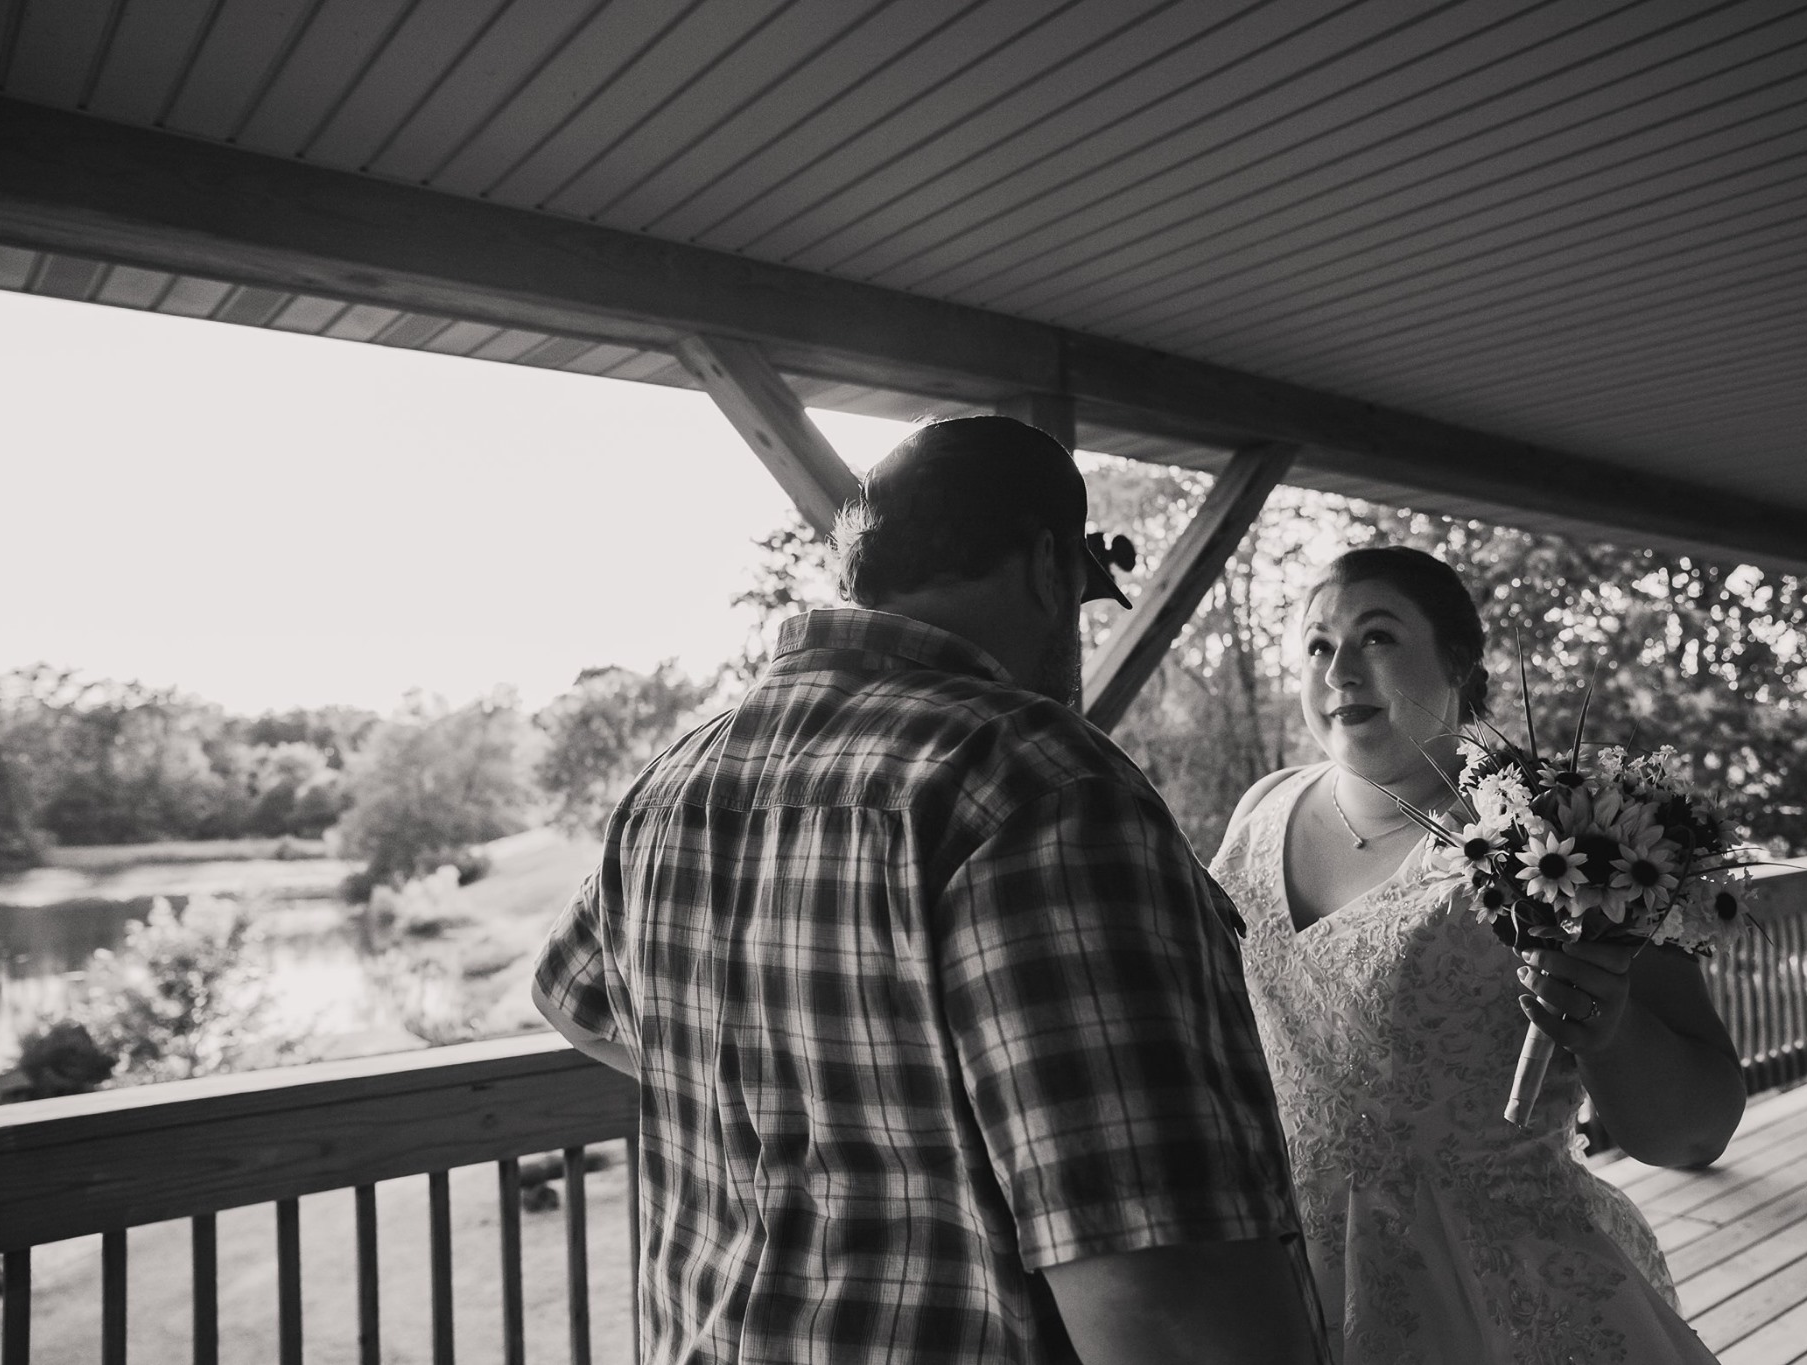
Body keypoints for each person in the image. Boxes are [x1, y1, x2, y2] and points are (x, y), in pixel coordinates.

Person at [533, 416, 1324, 1365]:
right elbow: (1166, 1302)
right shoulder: (1037, 783)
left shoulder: (674, 784)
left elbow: (572, 999)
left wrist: (810, 1105)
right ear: (1048, 567)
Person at [1211, 545, 1743, 1365]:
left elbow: (1692, 1133)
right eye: (1317, 644)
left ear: (1460, 659)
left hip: (1493, 1300)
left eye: (1377, 638)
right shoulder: (1260, 809)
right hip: (1273, 1287)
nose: (1340, 669)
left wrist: (1614, 1027)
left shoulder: (1570, 831)